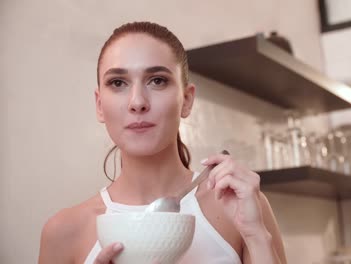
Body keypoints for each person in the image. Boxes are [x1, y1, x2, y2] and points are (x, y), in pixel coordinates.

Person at [38, 21, 286, 264]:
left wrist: (256, 236)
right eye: (118, 83)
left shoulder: (241, 210)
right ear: (100, 105)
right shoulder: (63, 232)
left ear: (187, 100)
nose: (137, 102)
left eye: (157, 80)